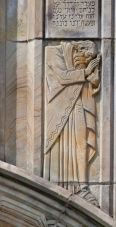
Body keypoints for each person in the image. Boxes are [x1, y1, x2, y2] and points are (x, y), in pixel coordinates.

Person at [43, 41, 101, 203]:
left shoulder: (82, 62)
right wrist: (86, 72)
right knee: (60, 145)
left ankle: (82, 187)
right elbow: (62, 76)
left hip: (80, 101)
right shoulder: (52, 51)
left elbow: (92, 81)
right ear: (78, 48)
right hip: (59, 107)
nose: (87, 59)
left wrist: (93, 78)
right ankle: (55, 187)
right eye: (88, 55)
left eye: (91, 58)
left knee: (82, 143)